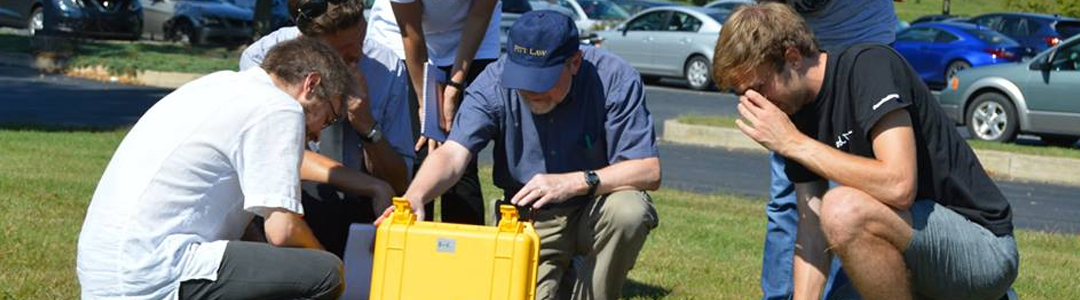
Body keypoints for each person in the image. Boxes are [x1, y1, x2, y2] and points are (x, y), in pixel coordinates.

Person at [712, 3, 1018, 300]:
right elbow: (811, 228)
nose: (756, 103)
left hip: (983, 249)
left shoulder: (868, 65)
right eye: (744, 95)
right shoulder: (796, 113)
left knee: (843, 209)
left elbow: (899, 186)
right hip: (913, 252)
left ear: (792, 58)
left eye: (759, 88)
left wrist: (793, 143)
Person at [377, 11, 660, 300]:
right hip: (531, 217)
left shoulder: (615, 77)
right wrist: (416, 196)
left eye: (542, 79)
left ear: (574, 63)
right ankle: (564, 273)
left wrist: (574, 182)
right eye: (522, 77)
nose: (529, 90)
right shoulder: (492, 82)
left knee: (629, 210)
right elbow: (453, 153)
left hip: (596, 206)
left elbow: (648, 170)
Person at [77, 37, 354, 300]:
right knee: (324, 272)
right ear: (311, 84)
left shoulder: (217, 85)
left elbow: (242, 229)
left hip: (108, 271)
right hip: (153, 271)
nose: (318, 135)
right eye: (328, 118)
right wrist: (332, 268)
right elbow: (282, 231)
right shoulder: (279, 108)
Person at [750, 0, 901, 299]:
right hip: (787, 57)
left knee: (849, 200)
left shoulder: (868, 64)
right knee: (787, 197)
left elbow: (898, 186)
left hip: (860, 42)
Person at [240, 0, 416, 257]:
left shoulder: (386, 66)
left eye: (361, 37)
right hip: (288, 201)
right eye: (342, 53)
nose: (358, 54)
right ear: (308, 48)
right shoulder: (263, 60)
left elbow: (399, 183)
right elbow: (276, 158)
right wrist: (370, 184)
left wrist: (366, 125)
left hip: (360, 210)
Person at [366, 0, 501, 224]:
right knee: (419, 151)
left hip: (474, 40)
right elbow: (411, 34)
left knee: (462, 153)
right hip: (402, 39)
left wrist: (455, 87)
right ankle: (410, 243)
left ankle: (464, 253)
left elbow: (479, 16)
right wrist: (426, 104)